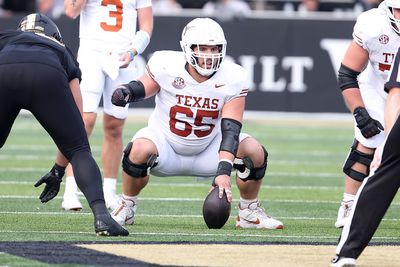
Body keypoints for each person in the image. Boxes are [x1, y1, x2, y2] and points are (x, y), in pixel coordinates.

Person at [109, 17, 284, 230]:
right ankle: (127, 205)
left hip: (208, 149)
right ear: (188, 48)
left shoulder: (233, 76)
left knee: (254, 151)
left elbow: (231, 130)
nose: (209, 55)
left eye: (214, 49)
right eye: (203, 48)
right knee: (138, 148)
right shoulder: (166, 64)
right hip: (166, 147)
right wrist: (127, 91)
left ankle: (248, 211)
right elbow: (144, 86)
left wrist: (222, 171)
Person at [0, 13, 128, 236]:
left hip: (5, 71)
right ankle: (102, 217)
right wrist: (58, 170)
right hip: (47, 73)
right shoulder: (61, 50)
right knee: (79, 149)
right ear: (54, 35)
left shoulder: (6, 37)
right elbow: (78, 124)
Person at [62, 0, 153, 211]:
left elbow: (146, 26)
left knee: (114, 125)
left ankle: (109, 190)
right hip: (91, 55)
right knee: (84, 121)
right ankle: (71, 189)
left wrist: (132, 51)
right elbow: (71, 11)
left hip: (122, 59)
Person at [330, 46, 400, 267]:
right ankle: (347, 251)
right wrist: (389, 140)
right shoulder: (372, 25)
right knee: (382, 179)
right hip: (376, 89)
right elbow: (396, 94)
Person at [333, 0, 400, 229]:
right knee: (369, 138)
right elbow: (347, 73)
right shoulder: (374, 25)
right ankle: (349, 203)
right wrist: (360, 114)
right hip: (377, 88)